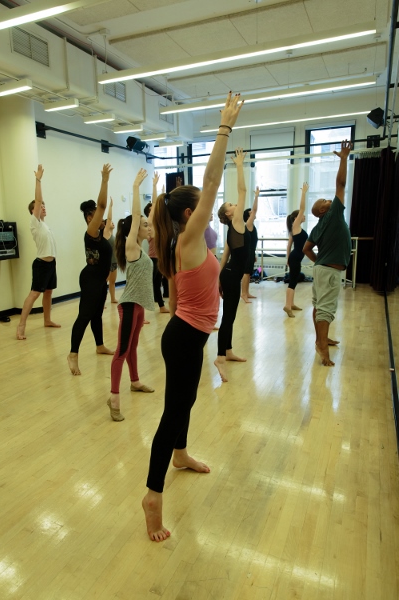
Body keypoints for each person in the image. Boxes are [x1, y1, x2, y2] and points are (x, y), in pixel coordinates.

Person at [142, 92, 244, 542]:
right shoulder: (186, 238)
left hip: (190, 335)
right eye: (201, 204)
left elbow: (163, 214)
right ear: (191, 213)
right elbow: (212, 177)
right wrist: (223, 128)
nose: (209, 205)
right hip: (183, 337)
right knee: (172, 411)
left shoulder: (186, 242)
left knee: (187, 402)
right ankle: (152, 495)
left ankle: (181, 455)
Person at [107, 169, 155, 422]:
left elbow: (148, 216)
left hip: (138, 307)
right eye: (145, 225)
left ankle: (134, 381)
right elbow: (137, 216)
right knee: (122, 350)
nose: (148, 228)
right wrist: (136, 187)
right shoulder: (131, 246)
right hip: (127, 307)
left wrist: (156, 193)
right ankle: (114, 398)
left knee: (134, 346)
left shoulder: (142, 250)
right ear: (135, 229)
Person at [303, 140, 352, 366]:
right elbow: (340, 183)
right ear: (323, 210)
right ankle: (322, 347)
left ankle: (320, 339)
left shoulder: (317, 227)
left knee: (319, 307)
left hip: (322, 270)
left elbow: (306, 249)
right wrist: (344, 159)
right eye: (325, 201)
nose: (329, 200)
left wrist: (318, 262)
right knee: (325, 309)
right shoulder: (333, 215)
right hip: (329, 272)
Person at [67, 164, 114, 376]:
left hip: (99, 280)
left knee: (96, 314)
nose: (101, 218)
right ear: (89, 218)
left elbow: (107, 214)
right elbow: (102, 206)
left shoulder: (100, 235)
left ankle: (99, 345)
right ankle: (73, 354)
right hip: (90, 279)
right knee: (85, 315)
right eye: (96, 215)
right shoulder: (91, 231)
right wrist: (104, 180)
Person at [214, 147, 250, 383]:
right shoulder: (236, 223)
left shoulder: (232, 230)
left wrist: (217, 279)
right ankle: (219, 357)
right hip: (231, 277)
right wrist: (239, 165)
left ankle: (227, 351)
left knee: (231, 316)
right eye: (231, 205)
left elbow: (224, 256)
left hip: (228, 275)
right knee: (228, 318)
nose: (236, 205)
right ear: (228, 214)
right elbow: (243, 190)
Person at [16, 165, 61, 340]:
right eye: (39, 206)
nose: (42, 207)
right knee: (34, 294)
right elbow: (38, 198)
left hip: (51, 264)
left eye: (43, 205)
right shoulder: (34, 222)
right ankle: (21, 326)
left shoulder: (45, 225)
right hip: (41, 264)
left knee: (48, 292)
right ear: (33, 211)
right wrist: (38, 180)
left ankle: (47, 320)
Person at [144, 172, 169, 314]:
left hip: (159, 258)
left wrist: (163, 194)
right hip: (153, 259)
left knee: (156, 282)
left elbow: (160, 207)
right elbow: (154, 204)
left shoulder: (157, 223)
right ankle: (159, 306)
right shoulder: (150, 223)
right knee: (153, 283)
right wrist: (154, 186)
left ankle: (160, 305)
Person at [283, 182, 309, 317]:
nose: (303, 216)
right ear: (296, 218)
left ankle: (291, 304)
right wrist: (304, 193)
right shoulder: (296, 225)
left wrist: (288, 259)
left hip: (294, 257)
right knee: (292, 282)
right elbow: (302, 208)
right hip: (295, 257)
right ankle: (287, 305)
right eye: (301, 216)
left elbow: (289, 246)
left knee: (294, 280)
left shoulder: (294, 229)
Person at [241, 186, 260, 303]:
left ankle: (246, 292)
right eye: (251, 213)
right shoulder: (248, 224)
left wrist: (254, 254)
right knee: (246, 273)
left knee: (248, 274)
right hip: (247, 252)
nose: (253, 213)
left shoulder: (251, 226)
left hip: (251, 251)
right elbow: (255, 209)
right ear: (248, 216)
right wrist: (256, 196)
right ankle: (243, 294)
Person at [104, 198, 118, 304]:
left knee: (112, 282)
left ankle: (113, 298)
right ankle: (101, 301)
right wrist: (111, 206)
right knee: (104, 283)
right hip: (107, 263)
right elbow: (109, 218)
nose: (112, 223)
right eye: (110, 223)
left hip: (114, 262)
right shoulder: (106, 234)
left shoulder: (113, 235)